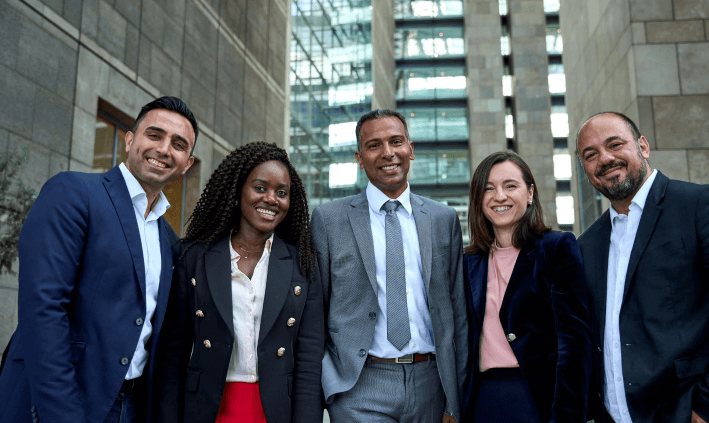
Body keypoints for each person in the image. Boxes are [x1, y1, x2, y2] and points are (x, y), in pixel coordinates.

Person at [0, 97, 198, 423]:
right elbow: (43, 309)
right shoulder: (74, 193)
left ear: (187, 163)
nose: (164, 149)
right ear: (130, 139)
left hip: (130, 407)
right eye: (154, 135)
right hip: (58, 402)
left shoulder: (169, 239)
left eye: (178, 144)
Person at [576, 112, 709, 423]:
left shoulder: (704, 205)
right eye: (590, 154)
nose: (605, 158)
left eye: (615, 144)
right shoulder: (587, 244)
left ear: (643, 146)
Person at [311, 110, 468, 422]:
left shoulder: (443, 219)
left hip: (431, 383)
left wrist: (454, 397)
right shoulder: (328, 220)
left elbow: (457, 312)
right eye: (374, 145)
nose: (387, 153)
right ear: (359, 157)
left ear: (410, 148)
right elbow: (316, 311)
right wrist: (326, 386)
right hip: (358, 387)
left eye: (396, 142)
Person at [156, 141, 324, 423]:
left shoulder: (303, 265)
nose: (271, 199)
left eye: (281, 193)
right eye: (260, 188)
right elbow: (173, 354)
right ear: (238, 192)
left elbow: (309, 362)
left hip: (275, 409)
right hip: (207, 407)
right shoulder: (194, 257)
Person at [462, 151, 592, 423]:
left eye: (510, 186)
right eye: (489, 189)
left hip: (538, 398)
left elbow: (575, 344)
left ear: (530, 193)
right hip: (481, 401)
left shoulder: (557, 248)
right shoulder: (469, 262)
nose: (500, 196)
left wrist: (568, 417)